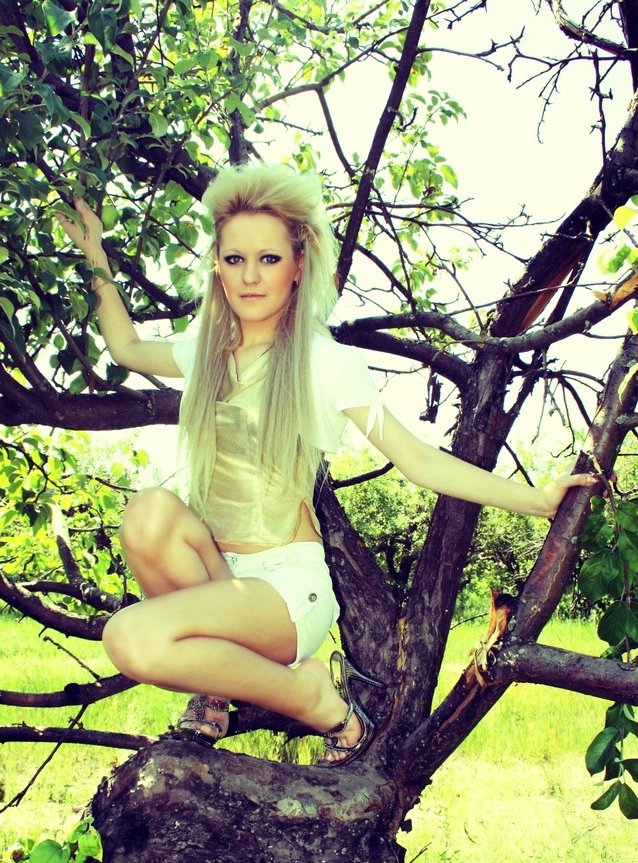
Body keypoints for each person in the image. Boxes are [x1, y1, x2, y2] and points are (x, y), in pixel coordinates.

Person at [56, 164, 596, 766]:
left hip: (285, 591)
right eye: (235, 259)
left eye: (268, 258)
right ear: (217, 268)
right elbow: (127, 348)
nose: (251, 276)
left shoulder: (323, 362)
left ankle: (316, 699)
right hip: (218, 575)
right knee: (148, 513)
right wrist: (96, 256)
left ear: (297, 265)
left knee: (129, 637)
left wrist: (537, 500)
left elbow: (418, 460)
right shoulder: (205, 352)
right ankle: (215, 689)